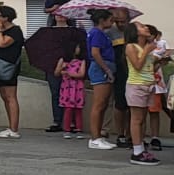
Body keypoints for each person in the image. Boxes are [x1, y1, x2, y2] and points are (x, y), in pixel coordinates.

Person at [0, 5, 25, 138]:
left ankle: (14, 128)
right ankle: (10, 125)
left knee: (11, 96)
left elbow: (3, 44)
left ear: (6, 17)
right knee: (4, 97)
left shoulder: (15, 31)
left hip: (9, 65)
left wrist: (0, 31)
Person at [124, 24, 161, 165]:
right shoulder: (131, 47)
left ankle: (141, 148)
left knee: (142, 119)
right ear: (135, 32)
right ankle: (137, 151)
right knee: (136, 119)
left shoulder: (148, 47)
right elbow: (137, 65)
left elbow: (148, 68)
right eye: (141, 27)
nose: (145, 28)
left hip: (148, 85)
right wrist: (146, 50)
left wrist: (160, 62)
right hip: (136, 86)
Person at [85, 9, 119, 150]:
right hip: (101, 68)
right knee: (99, 104)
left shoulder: (99, 33)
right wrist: (106, 69)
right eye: (110, 20)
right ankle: (95, 138)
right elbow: (95, 52)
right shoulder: (97, 33)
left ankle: (98, 136)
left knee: (103, 104)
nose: (112, 23)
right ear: (102, 20)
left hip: (103, 67)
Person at [55, 45, 87, 137]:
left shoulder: (82, 61)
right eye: (77, 47)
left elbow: (81, 74)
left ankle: (79, 129)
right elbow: (56, 73)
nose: (78, 49)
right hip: (66, 88)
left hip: (77, 88)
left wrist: (70, 74)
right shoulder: (63, 60)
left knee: (78, 109)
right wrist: (62, 68)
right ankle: (67, 129)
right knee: (68, 108)